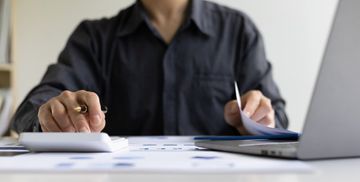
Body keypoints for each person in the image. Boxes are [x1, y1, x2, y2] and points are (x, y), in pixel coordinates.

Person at [11, 0, 289, 136]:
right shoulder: (94, 38)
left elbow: (277, 116)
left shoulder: (239, 31)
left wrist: (262, 120)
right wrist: (53, 114)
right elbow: (30, 111)